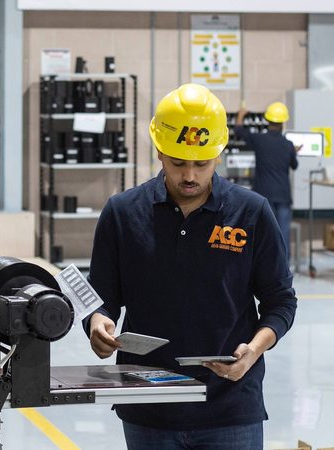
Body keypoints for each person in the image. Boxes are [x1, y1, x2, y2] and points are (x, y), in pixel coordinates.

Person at [84, 84, 297, 449]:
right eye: (178, 162)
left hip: (230, 405)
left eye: (202, 164)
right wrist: (96, 324)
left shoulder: (251, 212)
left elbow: (280, 302)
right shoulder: (122, 213)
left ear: (218, 155)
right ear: (160, 152)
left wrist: (254, 351)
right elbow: (100, 297)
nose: (190, 176)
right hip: (148, 407)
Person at [236, 101, 299, 257]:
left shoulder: (260, 140)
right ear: (283, 122)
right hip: (283, 196)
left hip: (264, 195)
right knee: (283, 234)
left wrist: (240, 115)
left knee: (263, 232)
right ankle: (283, 267)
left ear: (267, 120)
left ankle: (263, 265)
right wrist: (293, 152)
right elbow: (294, 165)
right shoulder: (288, 144)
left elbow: (239, 130)